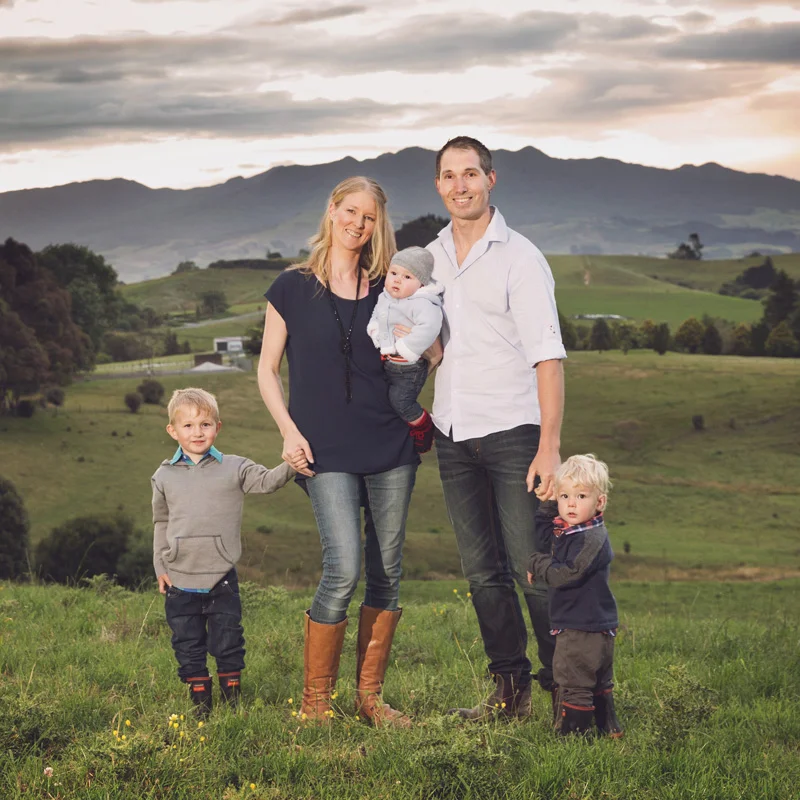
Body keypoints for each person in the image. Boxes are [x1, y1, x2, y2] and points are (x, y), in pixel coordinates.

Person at [257, 176, 420, 728]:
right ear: (332, 211)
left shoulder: (389, 288)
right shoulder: (290, 287)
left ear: (379, 226)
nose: (358, 223)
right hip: (322, 449)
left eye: (369, 217)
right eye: (351, 211)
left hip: (390, 443)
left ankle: (370, 700)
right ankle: (315, 706)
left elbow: (429, 345)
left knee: (387, 572)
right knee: (344, 567)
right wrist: (287, 432)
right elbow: (266, 369)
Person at [427, 136, 567, 719]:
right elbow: (429, 340)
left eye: (470, 174)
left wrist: (550, 447)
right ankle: (510, 694)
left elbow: (548, 355)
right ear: (438, 185)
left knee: (532, 570)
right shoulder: (430, 256)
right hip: (453, 434)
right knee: (483, 573)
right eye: (448, 175)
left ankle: (571, 692)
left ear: (491, 180)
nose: (460, 185)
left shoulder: (519, 257)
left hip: (514, 433)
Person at [152, 387, 294, 717]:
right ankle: (201, 706)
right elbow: (161, 521)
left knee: (228, 640)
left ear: (218, 427)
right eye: (187, 426)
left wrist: (292, 462)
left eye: (205, 424)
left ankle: (232, 706)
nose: (197, 432)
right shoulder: (163, 476)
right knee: (187, 645)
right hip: (179, 581)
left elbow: (268, 482)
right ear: (173, 431)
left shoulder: (235, 467)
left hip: (221, 579)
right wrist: (161, 564)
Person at [527, 454, 623, 738]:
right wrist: (547, 503)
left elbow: (565, 573)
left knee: (573, 679)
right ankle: (609, 728)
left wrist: (537, 564)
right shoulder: (573, 530)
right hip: (595, 623)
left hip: (582, 625)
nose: (570, 503)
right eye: (565, 495)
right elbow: (546, 537)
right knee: (598, 680)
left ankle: (573, 737)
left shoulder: (589, 539)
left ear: (599, 502)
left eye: (581, 496)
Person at [366, 246, 443, 454]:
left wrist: (404, 347)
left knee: (401, 401)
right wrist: (375, 331)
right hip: (389, 362)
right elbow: (377, 316)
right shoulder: (386, 298)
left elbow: (428, 329)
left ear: (421, 283)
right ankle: (395, 436)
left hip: (410, 366)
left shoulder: (423, 303)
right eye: (393, 274)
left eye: (407, 276)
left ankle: (424, 426)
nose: (397, 280)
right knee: (384, 398)